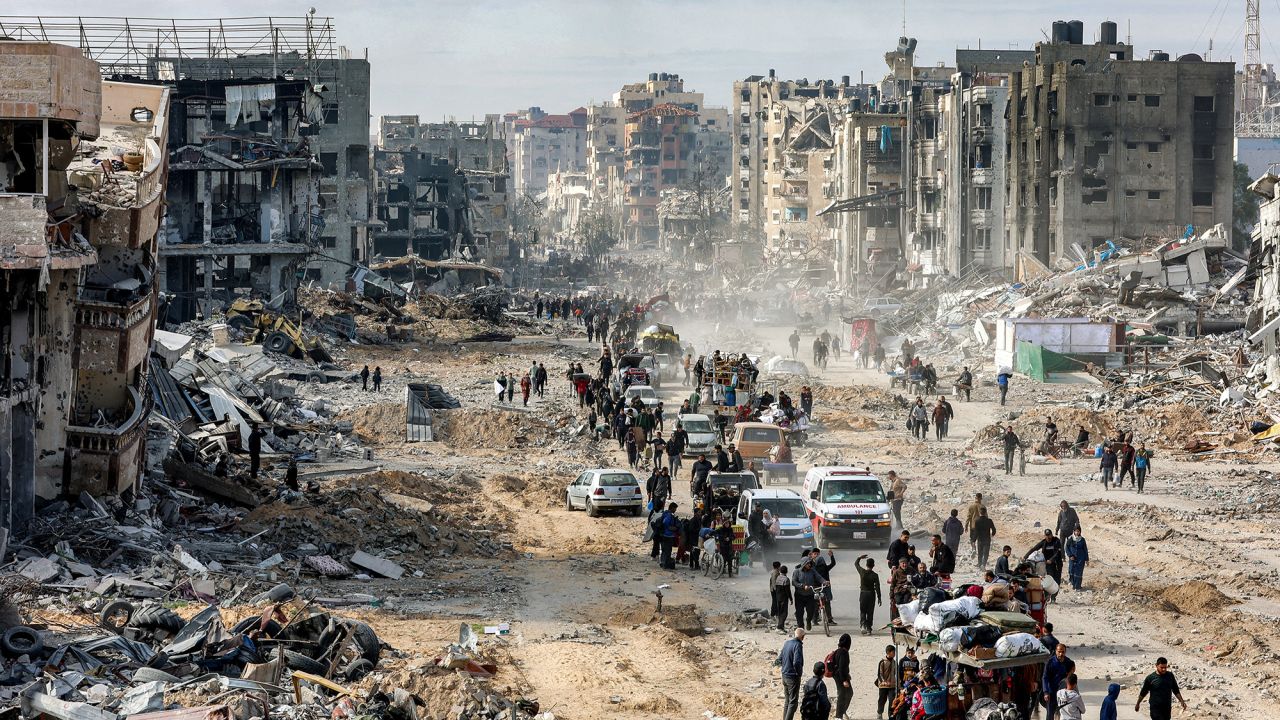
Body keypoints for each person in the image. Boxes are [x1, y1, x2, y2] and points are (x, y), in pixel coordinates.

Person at [779, 628, 806, 720]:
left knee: (787, 701)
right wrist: (799, 674)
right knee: (793, 702)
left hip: (784, 675)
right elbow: (797, 662)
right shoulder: (798, 645)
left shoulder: (787, 643)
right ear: (802, 637)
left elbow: (780, 658)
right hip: (792, 677)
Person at [1042, 643, 1072, 720]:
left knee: (1064, 715)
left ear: (1065, 652)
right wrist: (1046, 692)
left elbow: (1071, 678)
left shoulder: (1068, 662)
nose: (1061, 654)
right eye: (1059, 651)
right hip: (1051, 693)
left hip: (1063, 694)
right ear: (1056, 651)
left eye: (1063, 652)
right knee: (1050, 715)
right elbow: (1045, 678)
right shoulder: (1049, 662)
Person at [792, 557, 822, 631]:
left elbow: (819, 577)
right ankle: (801, 627)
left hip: (810, 596)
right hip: (799, 595)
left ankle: (808, 621)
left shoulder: (812, 571)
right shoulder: (797, 571)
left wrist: (825, 581)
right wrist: (802, 586)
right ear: (803, 564)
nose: (809, 565)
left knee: (811, 611)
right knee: (799, 612)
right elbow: (794, 582)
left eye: (810, 563)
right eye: (808, 563)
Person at [854, 555, 881, 636]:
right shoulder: (875, 575)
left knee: (863, 611)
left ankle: (863, 626)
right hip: (871, 595)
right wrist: (879, 597)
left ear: (866, 565)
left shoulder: (862, 572)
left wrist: (859, 558)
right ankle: (869, 628)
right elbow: (877, 587)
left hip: (863, 594)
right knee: (870, 612)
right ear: (873, 565)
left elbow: (856, 564)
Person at [809, 548, 837, 625]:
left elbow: (832, 564)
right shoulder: (810, 565)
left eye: (817, 554)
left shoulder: (823, 567)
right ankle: (815, 619)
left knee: (826, 602)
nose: (816, 555)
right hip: (816, 586)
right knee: (816, 603)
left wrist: (831, 556)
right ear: (812, 555)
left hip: (824, 586)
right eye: (815, 554)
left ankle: (829, 619)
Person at [828, 634, 852, 719]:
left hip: (839, 675)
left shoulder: (839, 650)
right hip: (840, 677)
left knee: (847, 693)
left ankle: (841, 712)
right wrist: (844, 680)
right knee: (843, 694)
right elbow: (841, 667)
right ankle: (839, 715)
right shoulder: (843, 652)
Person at [875, 645, 897, 720]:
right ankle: (879, 712)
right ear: (888, 652)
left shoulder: (895, 662)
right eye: (893, 652)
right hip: (883, 686)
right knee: (882, 700)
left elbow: (897, 674)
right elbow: (879, 674)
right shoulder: (882, 662)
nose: (894, 654)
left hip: (892, 685)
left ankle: (890, 715)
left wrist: (898, 685)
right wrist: (883, 682)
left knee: (892, 700)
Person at [658, 502, 680, 569]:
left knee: (664, 550)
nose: (675, 510)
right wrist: (672, 528)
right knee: (668, 550)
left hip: (663, 535)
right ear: (672, 508)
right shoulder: (669, 515)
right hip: (668, 535)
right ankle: (665, 564)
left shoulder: (665, 513)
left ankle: (663, 563)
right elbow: (665, 522)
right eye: (675, 508)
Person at [774, 564, 792, 631]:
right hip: (784, 598)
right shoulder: (786, 579)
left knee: (780, 612)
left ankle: (781, 627)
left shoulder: (778, 578)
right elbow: (788, 590)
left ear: (780, 571)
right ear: (786, 571)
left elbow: (776, 588)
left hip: (778, 597)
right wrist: (791, 598)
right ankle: (779, 627)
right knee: (784, 613)